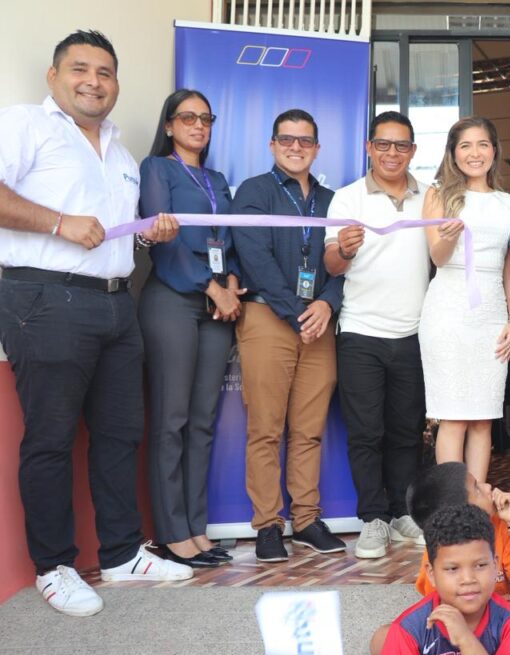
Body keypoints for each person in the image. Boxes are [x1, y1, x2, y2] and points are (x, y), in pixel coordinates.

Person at [0, 30, 190, 616]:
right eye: (79, 68)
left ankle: (122, 553)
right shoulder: (25, 124)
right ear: (53, 76)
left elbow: (114, 233)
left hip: (115, 303)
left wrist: (149, 233)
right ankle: (54, 566)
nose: (93, 81)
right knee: (52, 437)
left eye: (105, 72)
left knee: (119, 434)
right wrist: (59, 223)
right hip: (44, 297)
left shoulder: (121, 153)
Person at [232, 109, 345, 562]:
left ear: (316, 148)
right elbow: (254, 257)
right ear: (272, 144)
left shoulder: (333, 199)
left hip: (318, 322)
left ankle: (306, 520)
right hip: (268, 317)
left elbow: (346, 263)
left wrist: (327, 304)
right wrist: (297, 310)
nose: (296, 147)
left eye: (305, 141)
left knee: (309, 429)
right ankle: (267, 525)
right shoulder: (254, 191)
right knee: (265, 429)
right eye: (286, 139)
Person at [138, 89, 239, 568]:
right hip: (174, 299)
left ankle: (197, 530)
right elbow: (165, 244)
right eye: (187, 117)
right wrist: (212, 286)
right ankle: (172, 533)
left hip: (217, 305)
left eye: (206, 118)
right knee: (172, 420)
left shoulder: (217, 180)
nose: (198, 125)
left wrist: (231, 283)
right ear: (169, 125)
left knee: (202, 421)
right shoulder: (157, 169)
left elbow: (230, 241)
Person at [323, 111, 429, 559]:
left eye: (401, 145)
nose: (391, 153)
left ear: (412, 151)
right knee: (366, 432)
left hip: (415, 332)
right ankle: (373, 519)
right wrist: (344, 250)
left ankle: (403, 513)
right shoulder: (346, 198)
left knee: (406, 431)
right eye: (383, 144)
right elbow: (332, 264)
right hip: (361, 332)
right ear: (369, 148)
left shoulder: (431, 196)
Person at [419, 116, 510, 485]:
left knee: (483, 417)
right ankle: (452, 504)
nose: (474, 153)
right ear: (453, 153)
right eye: (465, 145)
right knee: (453, 416)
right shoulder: (438, 194)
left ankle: (476, 502)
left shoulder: (509, 202)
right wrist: (447, 237)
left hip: (491, 316)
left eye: (482, 144)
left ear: (494, 150)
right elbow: (438, 257)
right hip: (448, 312)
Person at [369, 461, 510, 655]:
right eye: (476, 488)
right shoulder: (440, 549)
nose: (488, 487)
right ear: (459, 512)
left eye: (480, 565)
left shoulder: (499, 524)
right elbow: (443, 611)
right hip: (454, 634)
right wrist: (493, 602)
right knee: (383, 639)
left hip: (501, 628)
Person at [371, 504, 510, 655]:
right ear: (431, 574)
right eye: (453, 569)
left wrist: (466, 640)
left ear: (495, 565)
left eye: (480, 565)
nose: (468, 579)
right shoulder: (410, 629)